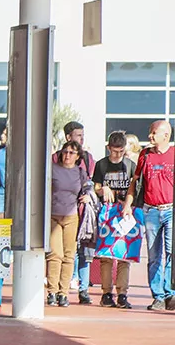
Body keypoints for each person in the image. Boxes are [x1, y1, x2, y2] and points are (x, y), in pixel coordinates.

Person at [122, 120, 174, 312]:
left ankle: (170, 293)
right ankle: (158, 296)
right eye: (150, 133)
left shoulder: (173, 154)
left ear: (165, 136)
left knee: (172, 254)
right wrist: (128, 204)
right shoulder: (145, 155)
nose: (150, 136)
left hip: (170, 210)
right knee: (154, 255)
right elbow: (135, 182)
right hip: (150, 210)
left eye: (154, 133)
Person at [52, 122, 97, 303]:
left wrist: (89, 195)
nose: (82, 138)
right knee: (56, 254)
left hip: (76, 214)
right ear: (68, 137)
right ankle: (52, 291)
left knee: (78, 253)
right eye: (78, 135)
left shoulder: (86, 162)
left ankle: (76, 290)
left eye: (82, 135)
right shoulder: (53, 161)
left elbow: (89, 184)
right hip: (54, 214)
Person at [92, 131, 137, 309]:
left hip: (125, 212)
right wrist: (103, 189)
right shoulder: (102, 165)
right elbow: (95, 185)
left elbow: (134, 186)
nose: (118, 155)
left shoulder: (130, 165)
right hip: (107, 212)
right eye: (114, 151)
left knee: (125, 256)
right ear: (108, 148)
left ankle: (122, 293)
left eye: (121, 151)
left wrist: (129, 204)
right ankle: (106, 292)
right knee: (106, 255)